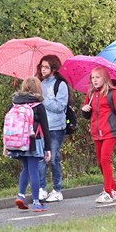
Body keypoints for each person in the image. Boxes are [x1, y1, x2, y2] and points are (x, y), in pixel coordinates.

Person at [81, 66, 116, 203]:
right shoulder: (91, 93)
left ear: (105, 78)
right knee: (99, 163)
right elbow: (87, 114)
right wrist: (85, 110)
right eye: (92, 77)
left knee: (105, 160)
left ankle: (108, 192)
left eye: (98, 77)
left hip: (110, 132)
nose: (95, 80)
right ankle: (113, 187)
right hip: (96, 132)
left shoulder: (113, 93)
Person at [3, 76, 52, 212]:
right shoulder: (38, 106)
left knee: (25, 168)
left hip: (17, 142)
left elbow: (7, 126)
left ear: (23, 87)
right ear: (38, 89)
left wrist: (6, 146)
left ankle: (21, 195)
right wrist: (47, 148)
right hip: (33, 142)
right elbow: (45, 128)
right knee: (34, 170)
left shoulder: (14, 103)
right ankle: (36, 202)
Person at [36, 55, 69, 202]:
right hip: (41, 127)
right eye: (41, 67)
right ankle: (42, 188)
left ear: (53, 69)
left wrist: (43, 99)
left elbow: (60, 107)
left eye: (46, 67)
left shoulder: (60, 85)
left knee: (54, 158)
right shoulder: (39, 83)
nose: (43, 70)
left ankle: (57, 190)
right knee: (40, 158)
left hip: (56, 127)